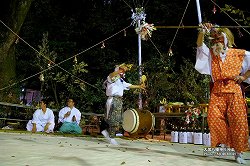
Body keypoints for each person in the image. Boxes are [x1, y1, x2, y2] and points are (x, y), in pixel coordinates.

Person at [195, 23, 250, 164]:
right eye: (214, 40)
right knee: (213, 118)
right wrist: (202, 31)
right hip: (218, 90)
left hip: (234, 90)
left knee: (238, 121)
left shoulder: (239, 53)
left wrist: (243, 77)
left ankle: (238, 153)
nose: (215, 42)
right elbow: (200, 45)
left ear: (226, 39)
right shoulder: (211, 54)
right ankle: (224, 143)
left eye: (218, 39)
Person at [101, 63, 145, 145]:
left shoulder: (120, 81)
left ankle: (105, 132)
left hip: (118, 100)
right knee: (113, 118)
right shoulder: (112, 78)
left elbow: (129, 85)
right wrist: (120, 70)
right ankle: (111, 137)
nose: (123, 72)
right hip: (113, 99)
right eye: (122, 71)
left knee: (116, 119)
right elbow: (111, 75)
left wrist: (139, 86)